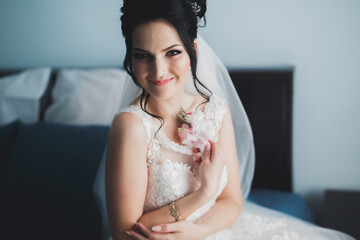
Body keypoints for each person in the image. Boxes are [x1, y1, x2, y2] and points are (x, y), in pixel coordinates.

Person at [94, 0, 355, 239]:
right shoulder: (132, 126)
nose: (158, 71)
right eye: (143, 56)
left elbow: (232, 201)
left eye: (172, 52)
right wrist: (203, 195)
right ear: (131, 57)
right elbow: (125, 233)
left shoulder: (215, 110)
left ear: (193, 50)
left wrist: (198, 232)